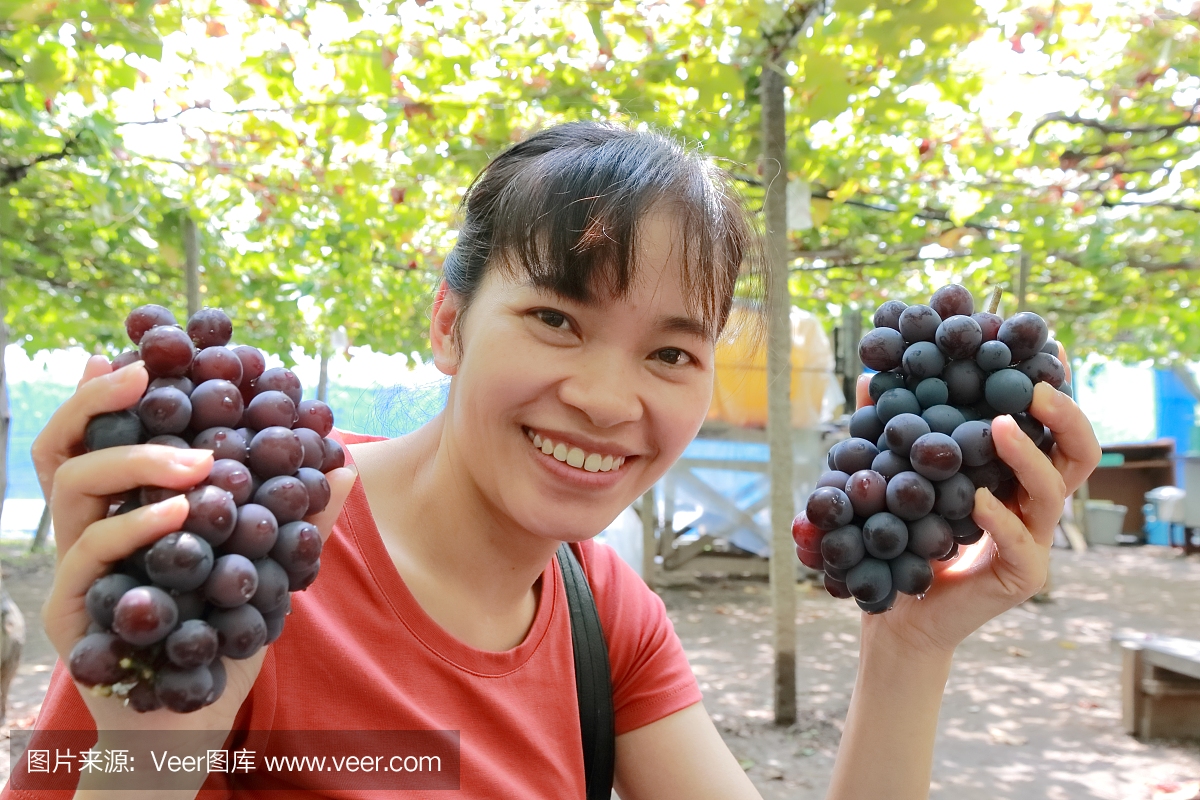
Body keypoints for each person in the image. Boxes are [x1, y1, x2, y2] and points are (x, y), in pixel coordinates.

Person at [14, 121, 1100, 800]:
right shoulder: (236, 544)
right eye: (555, 317)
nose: (608, 397)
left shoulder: (602, 610)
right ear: (448, 322)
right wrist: (152, 753)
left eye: (672, 349)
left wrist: (906, 650)